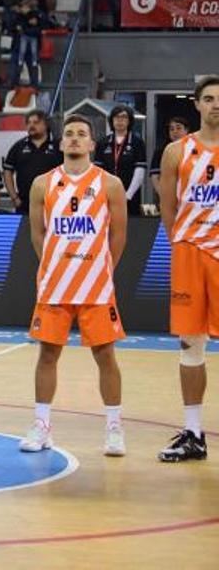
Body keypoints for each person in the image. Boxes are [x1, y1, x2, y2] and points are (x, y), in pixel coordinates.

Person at [21, 115, 129, 457]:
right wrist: (53, 263)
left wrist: (103, 267)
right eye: (69, 134)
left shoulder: (110, 183)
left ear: (92, 144)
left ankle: (114, 428)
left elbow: (119, 234)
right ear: (61, 142)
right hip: (54, 284)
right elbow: (38, 233)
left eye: (82, 134)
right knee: (47, 354)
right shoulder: (42, 184)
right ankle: (41, 426)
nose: (74, 139)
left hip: (96, 285)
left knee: (106, 355)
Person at [156, 75, 219, 462]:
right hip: (191, 253)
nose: (216, 104)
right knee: (190, 344)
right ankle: (194, 433)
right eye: (209, 98)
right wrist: (178, 242)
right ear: (197, 104)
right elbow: (167, 206)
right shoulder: (177, 151)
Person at [4, 110, 64, 214]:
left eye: (36, 122)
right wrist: (14, 198)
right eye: (29, 123)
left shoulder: (59, 146)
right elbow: (7, 171)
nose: (31, 125)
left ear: (45, 125)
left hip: (53, 203)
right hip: (25, 204)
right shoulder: (18, 146)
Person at [94, 104, 147, 216]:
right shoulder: (103, 142)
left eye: (124, 117)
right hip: (107, 195)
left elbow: (139, 172)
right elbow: (98, 171)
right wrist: (102, 193)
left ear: (129, 121)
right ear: (112, 120)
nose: (120, 121)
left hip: (130, 196)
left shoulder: (137, 142)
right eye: (117, 117)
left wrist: (128, 195)